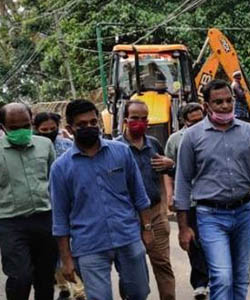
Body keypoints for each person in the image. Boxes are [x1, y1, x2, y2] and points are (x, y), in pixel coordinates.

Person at [174, 80, 250, 300]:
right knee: (222, 276)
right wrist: (184, 227)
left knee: (240, 277)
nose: (225, 106)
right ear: (206, 105)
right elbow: (182, 183)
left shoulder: (249, 132)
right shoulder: (192, 137)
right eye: (218, 102)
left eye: (229, 100)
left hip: (243, 213)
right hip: (210, 216)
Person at [50, 99, 152, 300]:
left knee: (139, 293)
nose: (89, 127)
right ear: (70, 128)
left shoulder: (121, 152)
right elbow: (59, 217)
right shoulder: (60, 168)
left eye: (93, 122)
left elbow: (139, 195)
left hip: (128, 237)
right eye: (82, 125)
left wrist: (147, 228)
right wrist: (66, 258)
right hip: (89, 245)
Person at [115, 100, 176, 300]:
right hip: (128, 219)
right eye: (134, 118)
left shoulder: (154, 145)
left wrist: (170, 165)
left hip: (155, 215)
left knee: (163, 265)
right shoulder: (114, 149)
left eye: (143, 118)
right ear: (125, 120)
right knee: (131, 272)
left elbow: (166, 171)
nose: (139, 123)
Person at [0, 103, 59, 300]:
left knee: (45, 278)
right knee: (20, 277)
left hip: (44, 219)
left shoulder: (45, 145)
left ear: (32, 122)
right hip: (10, 223)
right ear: (3, 127)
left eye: (25, 126)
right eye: (14, 128)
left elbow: (54, 182)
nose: (21, 132)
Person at [33, 111, 86, 300]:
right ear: (36, 129)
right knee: (54, 250)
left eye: (52, 129)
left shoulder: (68, 146)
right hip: (46, 208)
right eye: (44, 130)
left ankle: (79, 290)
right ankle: (63, 285)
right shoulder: (33, 149)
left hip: (70, 205)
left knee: (72, 247)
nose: (48, 132)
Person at [163, 103, 208, 299]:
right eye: (194, 121)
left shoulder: (213, 133)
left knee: (211, 240)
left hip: (211, 198)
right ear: (184, 121)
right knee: (194, 241)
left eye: (201, 119)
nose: (199, 124)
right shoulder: (175, 141)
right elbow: (167, 172)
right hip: (189, 200)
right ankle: (199, 283)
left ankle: (216, 277)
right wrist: (170, 194)